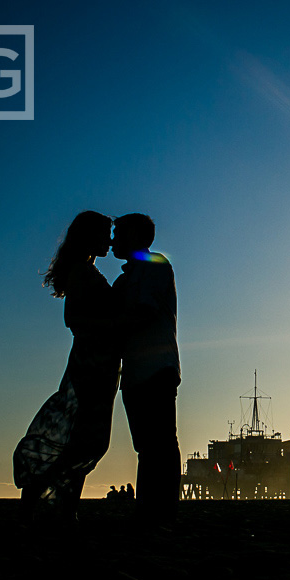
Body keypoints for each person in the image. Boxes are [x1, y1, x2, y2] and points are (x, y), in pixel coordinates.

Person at [13, 211, 119, 522]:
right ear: (90, 237)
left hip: (101, 363)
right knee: (87, 439)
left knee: (86, 439)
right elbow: (73, 319)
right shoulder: (81, 272)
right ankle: (44, 496)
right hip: (92, 363)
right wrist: (115, 325)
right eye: (105, 234)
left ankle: (61, 506)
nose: (110, 241)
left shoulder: (86, 270)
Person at [111, 213, 181, 525]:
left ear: (138, 238)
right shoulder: (126, 279)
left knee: (160, 443)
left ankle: (160, 510)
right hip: (138, 370)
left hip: (155, 368)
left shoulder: (154, 266)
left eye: (119, 234)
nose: (113, 240)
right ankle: (152, 509)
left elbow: (144, 312)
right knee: (148, 445)